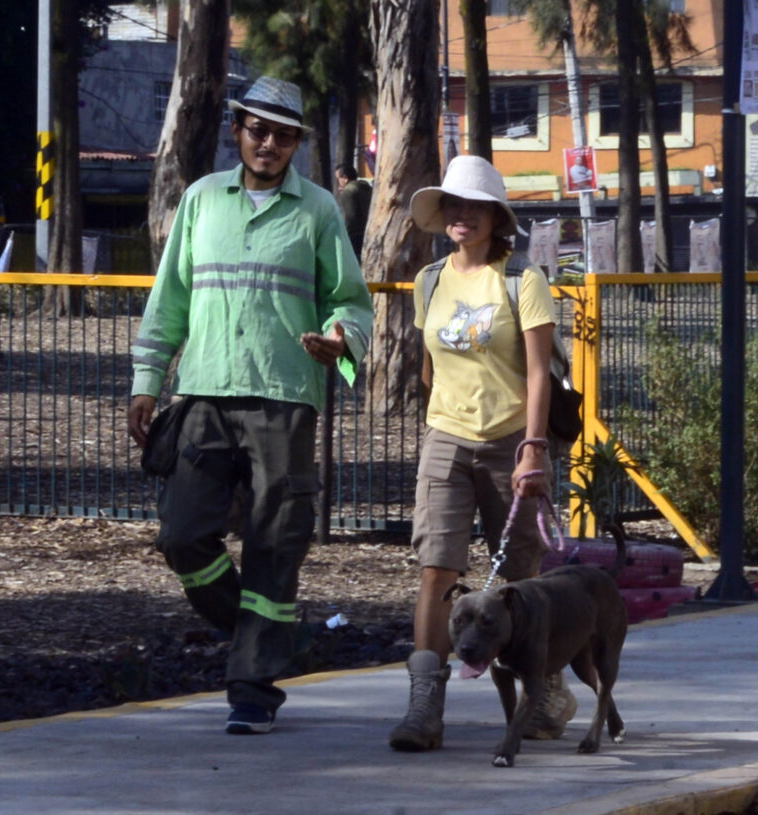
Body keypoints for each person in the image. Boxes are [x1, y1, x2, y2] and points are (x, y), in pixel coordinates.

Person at [128, 76, 373, 736]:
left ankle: (251, 688)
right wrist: (146, 380)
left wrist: (339, 341)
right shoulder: (202, 201)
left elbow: (352, 301)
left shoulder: (318, 211)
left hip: (285, 397)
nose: (268, 143)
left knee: (274, 542)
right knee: (181, 532)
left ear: (297, 143)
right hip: (204, 391)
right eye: (257, 130)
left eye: (283, 134)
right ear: (236, 131)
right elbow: (168, 300)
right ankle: (261, 637)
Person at [388, 155, 576, 752]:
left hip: (510, 440)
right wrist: (443, 416)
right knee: (436, 569)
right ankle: (425, 707)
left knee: (518, 582)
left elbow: (540, 373)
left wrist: (533, 449)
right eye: (453, 205)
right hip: (446, 437)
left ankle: (544, 689)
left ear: (497, 217)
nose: (461, 216)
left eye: (473, 206)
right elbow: (429, 365)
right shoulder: (430, 280)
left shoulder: (522, 280)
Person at [334, 162, 373, 261]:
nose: (338, 182)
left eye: (338, 179)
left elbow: (349, 218)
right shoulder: (366, 188)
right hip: (369, 233)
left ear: (345, 178)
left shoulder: (348, 192)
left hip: (354, 239)